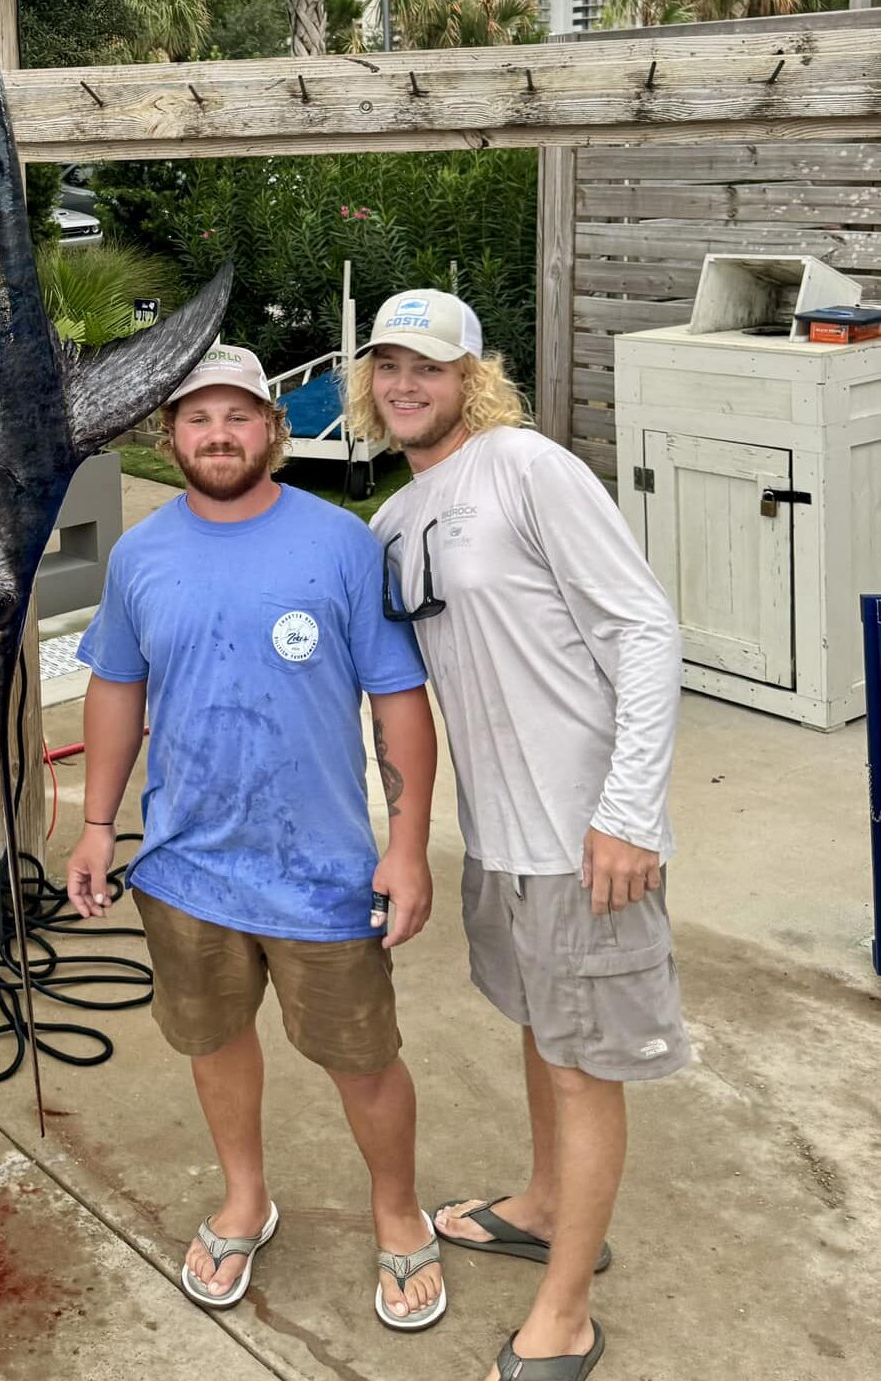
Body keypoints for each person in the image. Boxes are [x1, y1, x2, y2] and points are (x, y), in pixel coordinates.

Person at [65, 343, 445, 1330]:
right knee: (215, 1040)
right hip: (187, 868)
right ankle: (244, 1198)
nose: (219, 434)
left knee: (362, 1058)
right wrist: (96, 824)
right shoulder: (138, 555)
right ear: (170, 435)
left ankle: (398, 1215)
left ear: (272, 430)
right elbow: (115, 687)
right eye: (198, 417)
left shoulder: (339, 543)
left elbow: (397, 699)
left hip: (321, 873)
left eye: (238, 415)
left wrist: (404, 845)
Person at [349, 289, 688, 1381]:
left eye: (429, 367)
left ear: (472, 377)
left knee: (586, 1061)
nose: (406, 384)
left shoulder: (524, 466)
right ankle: (541, 1203)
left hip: (586, 829)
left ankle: (566, 1312)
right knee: (542, 1032)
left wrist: (627, 812)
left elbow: (641, 626)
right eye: (389, 365)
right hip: (498, 834)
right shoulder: (391, 520)